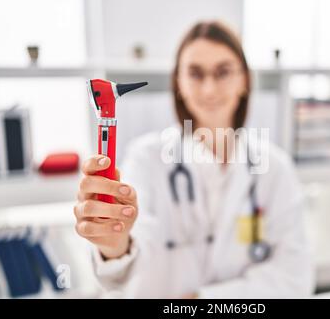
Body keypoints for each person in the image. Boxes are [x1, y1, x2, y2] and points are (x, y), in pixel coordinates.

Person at [74, 21, 314, 298]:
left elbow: (295, 278)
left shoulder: (275, 169)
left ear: (245, 80)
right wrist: (114, 243)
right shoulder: (146, 158)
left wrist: (203, 300)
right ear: (179, 83)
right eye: (196, 74)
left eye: (223, 72)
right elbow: (133, 247)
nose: (209, 89)